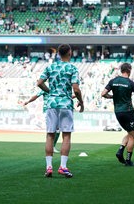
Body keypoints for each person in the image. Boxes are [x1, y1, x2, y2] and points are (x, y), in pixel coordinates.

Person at [37, 44, 84, 178]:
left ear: (58, 54)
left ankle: (49, 167)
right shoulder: (72, 68)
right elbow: (76, 89)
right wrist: (81, 101)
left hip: (51, 103)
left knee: (50, 135)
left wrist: (50, 92)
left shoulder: (50, 67)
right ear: (69, 53)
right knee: (66, 135)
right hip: (65, 104)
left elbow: (39, 83)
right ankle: (63, 167)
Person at [101, 63, 134, 166]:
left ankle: (120, 150)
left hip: (117, 112)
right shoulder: (131, 83)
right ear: (129, 70)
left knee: (130, 132)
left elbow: (103, 94)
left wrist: (112, 97)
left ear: (121, 70)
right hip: (128, 111)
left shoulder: (113, 81)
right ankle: (128, 160)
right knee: (132, 136)